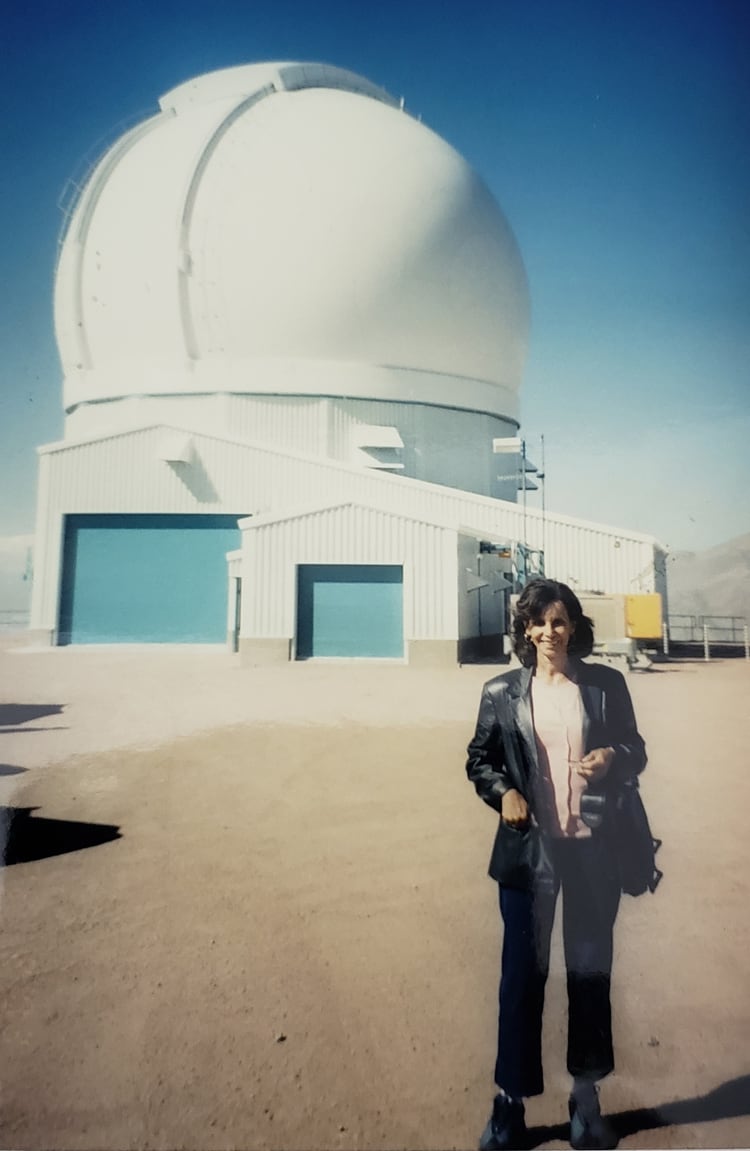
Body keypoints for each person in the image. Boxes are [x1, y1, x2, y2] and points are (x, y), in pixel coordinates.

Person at [466, 578, 646, 1151]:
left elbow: (635, 748)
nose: (550, 631)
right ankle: (509, 1105)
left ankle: (585, 1099)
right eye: (539, 622)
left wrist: (613, 755)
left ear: (574, 628)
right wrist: (504, 794)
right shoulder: (500, 692)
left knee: (589, 974)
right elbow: (480, 759)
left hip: (594, 851)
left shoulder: (604, 686)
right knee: (522, 978)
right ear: (525, 629)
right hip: (529, 856)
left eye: (560, 621)